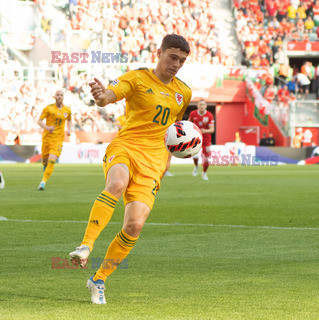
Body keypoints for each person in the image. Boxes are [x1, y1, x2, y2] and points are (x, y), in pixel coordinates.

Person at [68, 34, 192, 304]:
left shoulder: (184, 92)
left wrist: (168, 161)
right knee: (116, 184)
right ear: (159, 52)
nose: (176, 64)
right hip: (126, 147)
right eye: (172, 57)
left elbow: (175, 130)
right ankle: (85, 245)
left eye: (182, 60)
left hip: (154, 163)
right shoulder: (136, 78)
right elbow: (110, 95)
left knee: (134, 225)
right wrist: (102, 97)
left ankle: (98, 279)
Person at [37, 90, 72, 191]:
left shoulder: (67, 110)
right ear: (54, 97)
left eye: (61, 95)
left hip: (58, 140)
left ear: (63, 97)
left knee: (52, 160)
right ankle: (45, 169)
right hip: (47, 138)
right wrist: (47, 127)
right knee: (44, 161)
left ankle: (43, 182)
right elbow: (39, 121)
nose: (59, 97)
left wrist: (69, 129)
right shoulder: (48, 108)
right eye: (58, 95)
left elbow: (69, 120)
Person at [188, 99, 214, 180]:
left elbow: (212, 130)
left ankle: (204, 172)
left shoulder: (209, 115)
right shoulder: (193, 113)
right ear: (197, 106)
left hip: (206, 139)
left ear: (206, 106)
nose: (202, 106)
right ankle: (196, 166)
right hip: (196, 138)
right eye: (200, 104)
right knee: (195, 155)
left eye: (203, 104)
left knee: (206, 158)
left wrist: (205, 130)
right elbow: (189, 123)